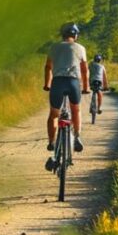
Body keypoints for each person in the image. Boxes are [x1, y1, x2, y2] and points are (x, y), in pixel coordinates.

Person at [43, 23, 89, 153]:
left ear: (63, 35)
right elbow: (85, 70)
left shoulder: (54, 47)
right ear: (76, 35)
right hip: (73, 82)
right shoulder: (80, 48)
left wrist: (47, 84)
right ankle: (78, 137)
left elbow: (48, 67)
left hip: (57, 83)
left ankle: (51, 142)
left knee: (54, 115)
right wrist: (86, 87)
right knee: (75, 110)